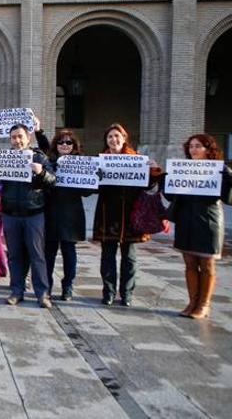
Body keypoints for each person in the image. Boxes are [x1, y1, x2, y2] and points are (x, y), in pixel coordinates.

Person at [0, 123, 55, 308]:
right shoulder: (5, 157)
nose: (17, 140)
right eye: (13, 137)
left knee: (37, 255)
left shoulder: (38, 157)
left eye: (20, 136)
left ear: (28, 138)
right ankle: (17, 290)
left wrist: (41, 172)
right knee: (15, 255)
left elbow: (53, 180)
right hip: (10, 214)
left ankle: (42, 294)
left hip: (33, 213)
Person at [92, 123, 161, 307]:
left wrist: (153, 172)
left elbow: (148, 186)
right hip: (108, 214)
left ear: (124, 138)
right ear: (106, 141)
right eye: (110, 137)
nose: (114, 140)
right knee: (107, 256)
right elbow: (92, 188)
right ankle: (108, 292)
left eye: (117, 136)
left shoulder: (137, 160)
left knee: (129, 257)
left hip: (131, 215)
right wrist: (93, 176)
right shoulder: (100, 161)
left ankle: (127, 293)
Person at [165, 134, 232, 319]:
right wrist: (163, 177)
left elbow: (228, 198)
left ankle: (204, 305)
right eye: (191, 146)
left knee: (207, 263)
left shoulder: (220, 170)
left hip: (209, 221)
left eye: (199, 146)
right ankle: (192, 302)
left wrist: (228, 179)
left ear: (208, 149)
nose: (194, 149)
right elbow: (171, 195)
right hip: (186, 220)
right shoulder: (183, 168)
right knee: (190, 263)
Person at [44, 129, 92, 301]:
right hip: (50, 213)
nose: (64, 145)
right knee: (48, 254)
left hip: (71, 215)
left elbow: (86, 193)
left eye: (68, 142)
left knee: (69, 254)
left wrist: (95, 179)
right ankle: (46, 287)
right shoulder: (48, 162)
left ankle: (68, 287)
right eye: (61, 142)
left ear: (74, 146)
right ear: (55, 145)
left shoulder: (82, 164)